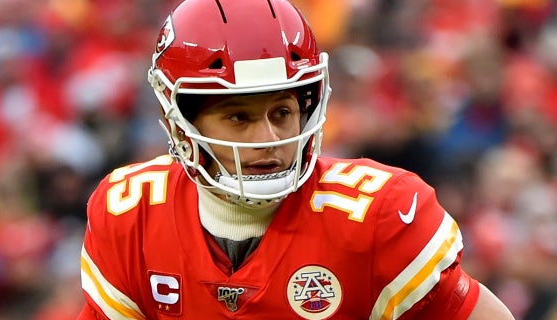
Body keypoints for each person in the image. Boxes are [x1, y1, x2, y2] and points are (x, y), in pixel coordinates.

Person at [78, 0, 515, 319]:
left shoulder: (377, 216)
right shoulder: (130, 213)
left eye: (282, 113)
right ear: (181, 123)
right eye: (238, 116)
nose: (268, 138)